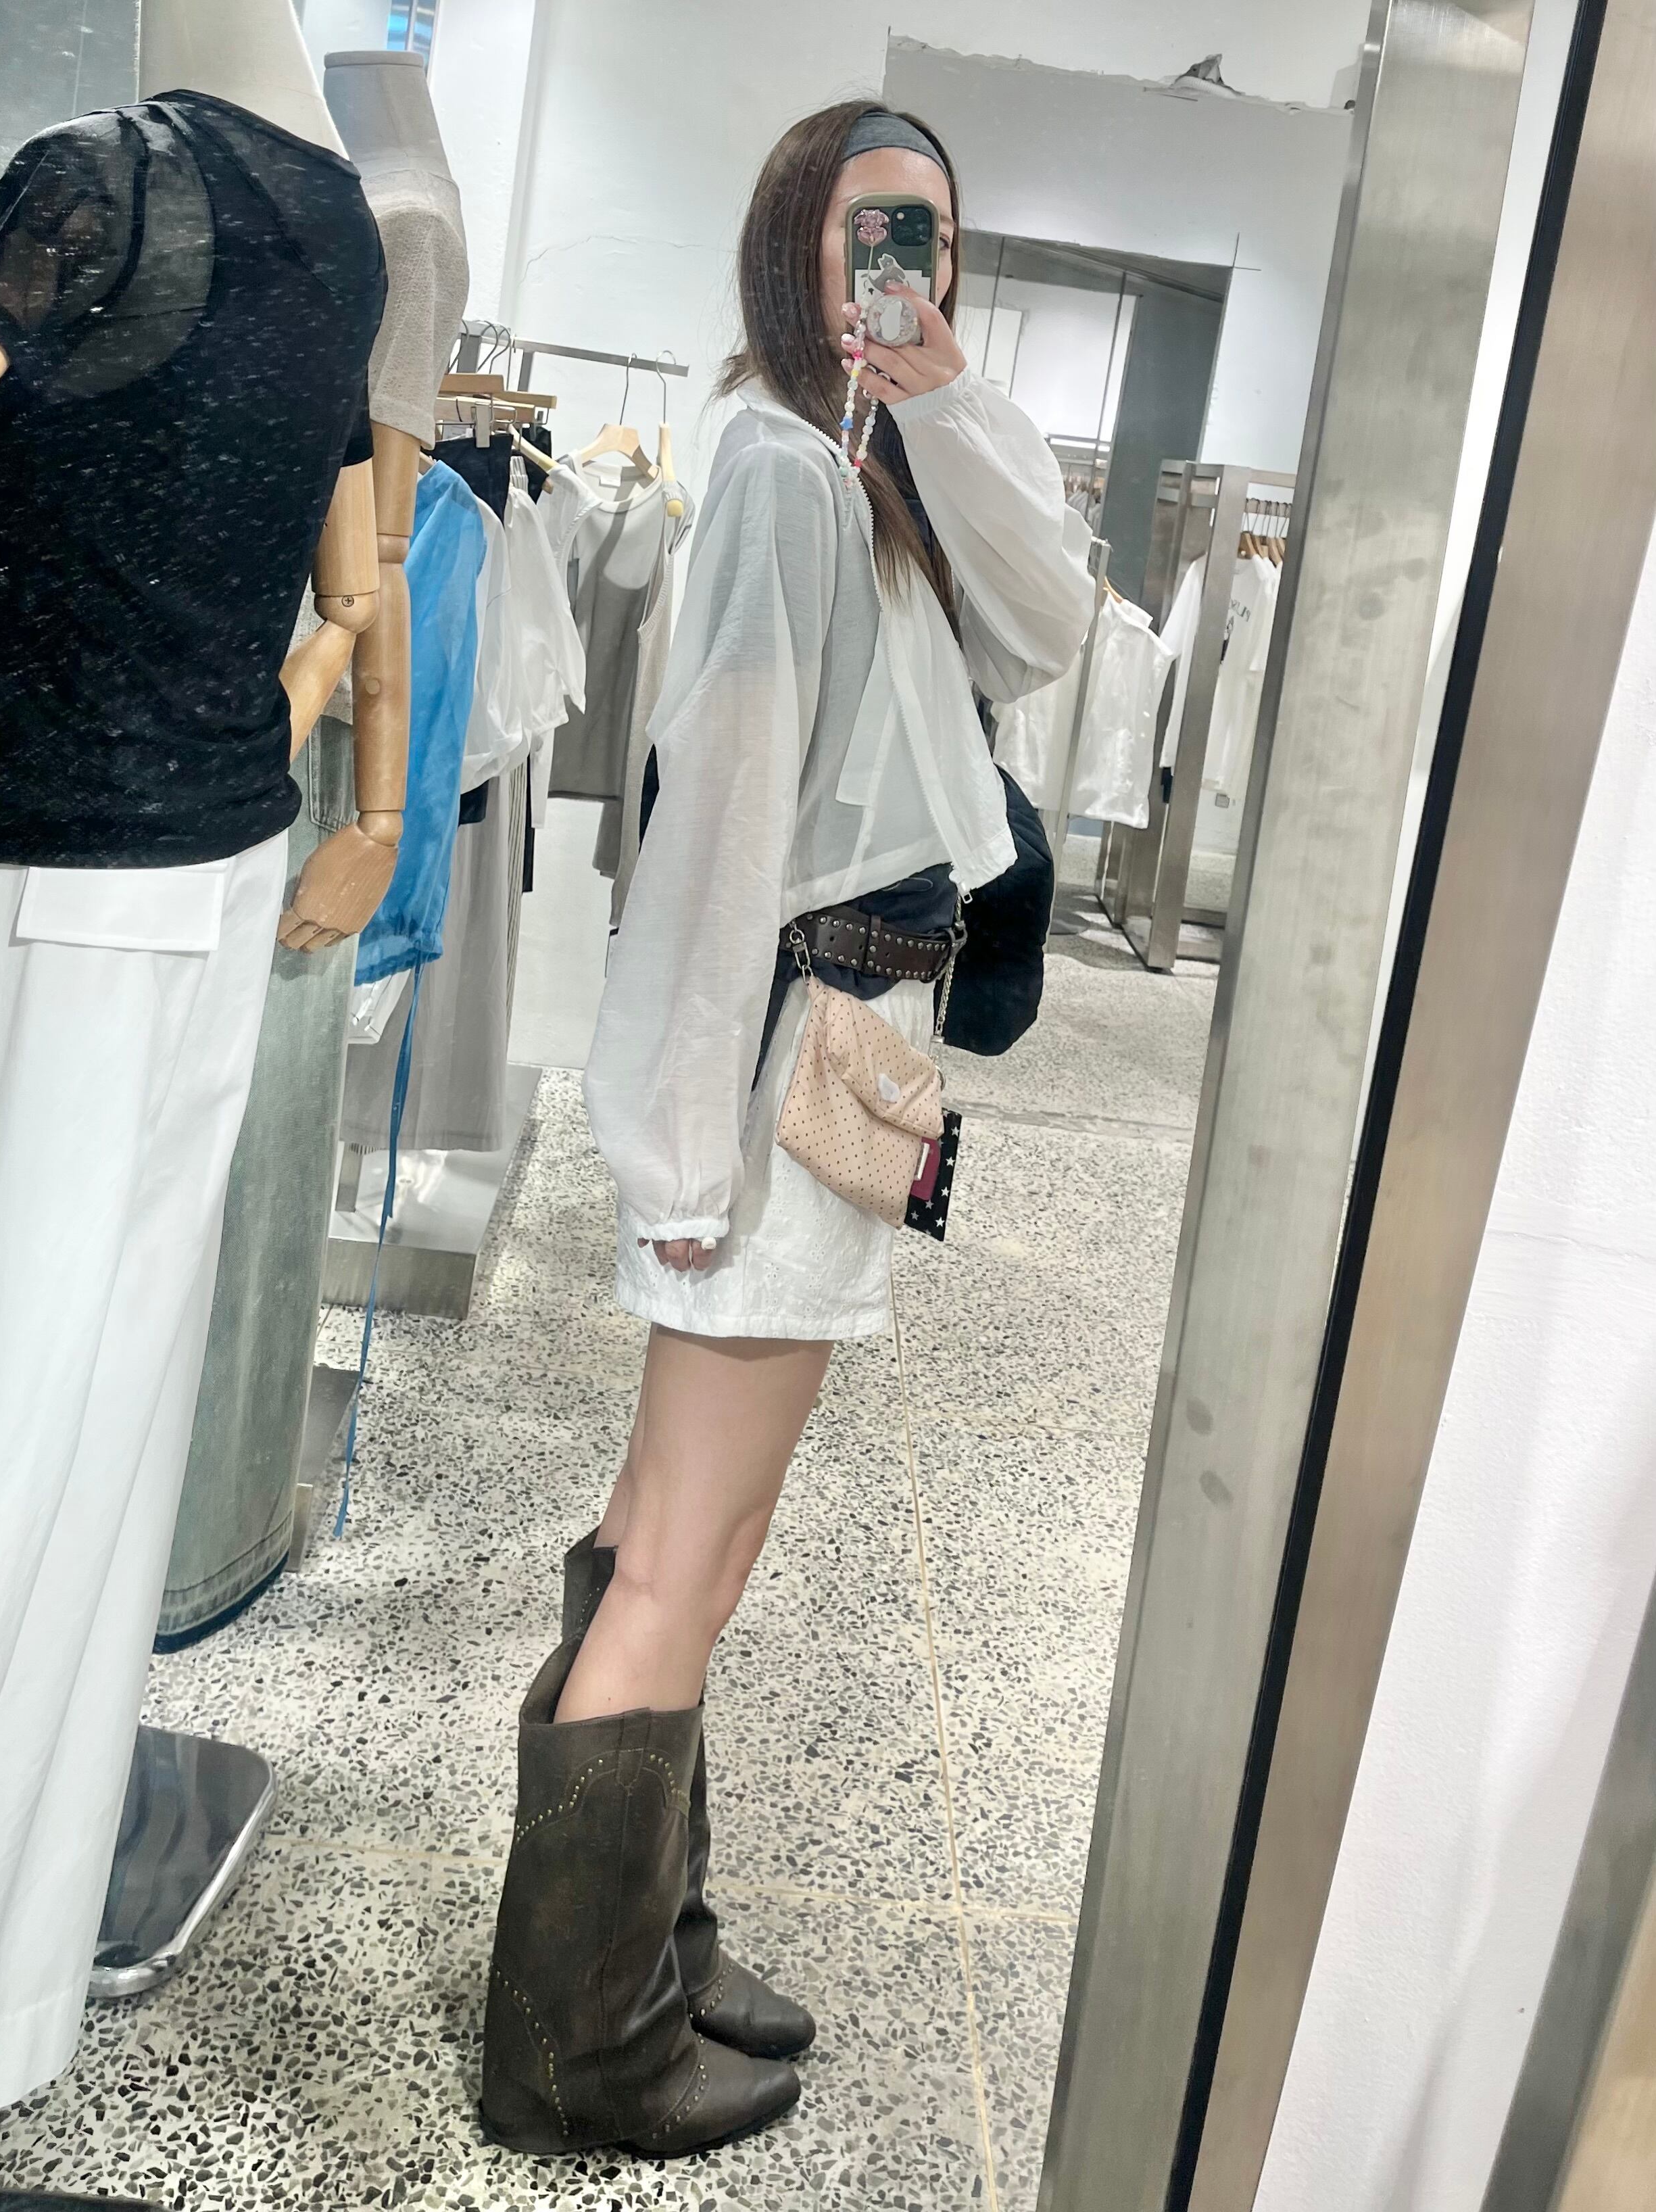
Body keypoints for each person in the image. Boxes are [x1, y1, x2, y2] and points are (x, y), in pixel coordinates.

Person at [480, 99, 1094, 2159]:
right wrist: (672, 1146)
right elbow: (717, 814)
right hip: (780, 1058)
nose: (898, 268)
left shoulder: (871, 463)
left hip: (841, 1047)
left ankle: (639, 1947)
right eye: (865, 230)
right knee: (689, 1543)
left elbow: (1046, 628)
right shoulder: (769, 467)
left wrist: (946, 402)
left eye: (931, 239)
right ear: (789, 244)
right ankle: (575, 2043)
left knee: (690, 1532)